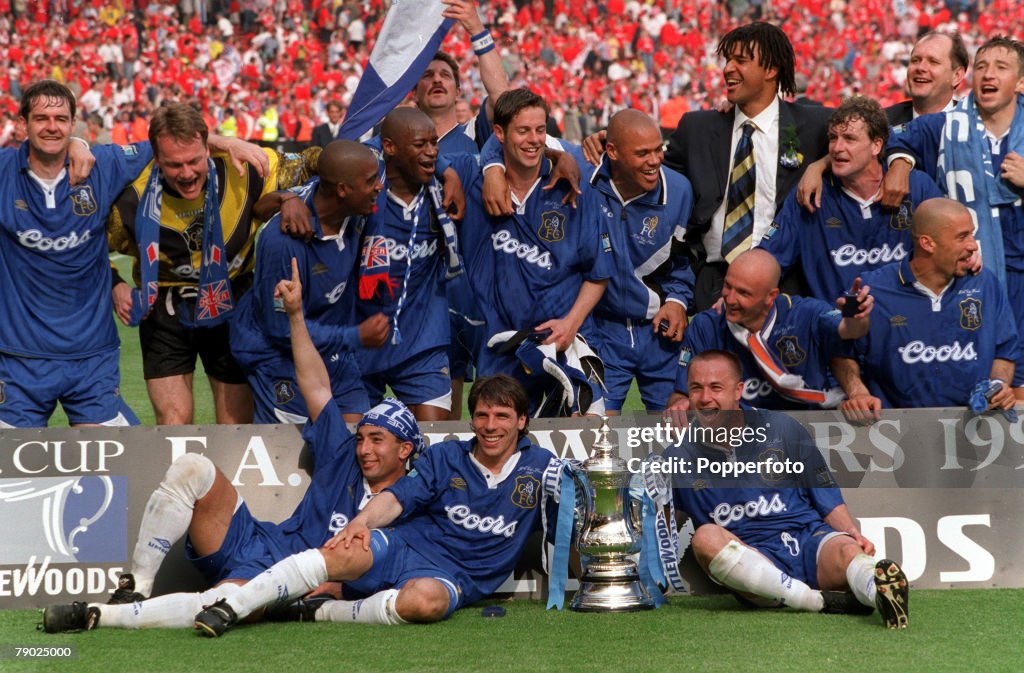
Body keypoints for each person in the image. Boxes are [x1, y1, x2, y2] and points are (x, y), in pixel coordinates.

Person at [41, 258, 422, 633]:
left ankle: (96, 616)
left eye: (378, 440)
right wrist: (294, 315)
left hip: (280, 578)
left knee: (216, 604)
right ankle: (136, 587)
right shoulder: (343, 453)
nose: (364, 449)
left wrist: (339, 586)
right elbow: (317, 385)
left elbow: (390, 566)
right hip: (258, 538)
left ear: (405, 450)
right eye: (363, 437)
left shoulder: (409, 503)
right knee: (193, 468)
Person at [188, 374, 564, 633]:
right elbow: (398, 498)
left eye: (501, 416)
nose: (490, 425)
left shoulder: (542, 467)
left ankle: (322, 613)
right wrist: (362, 522)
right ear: (472, 420)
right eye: (482, 415)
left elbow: (576, 516)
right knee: (350, 547)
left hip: (453, 577)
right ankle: (230, 608)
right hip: (406, 547)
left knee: (424, 604)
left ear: (521, 421)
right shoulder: (446, 457)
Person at [664, 350, 909, 629]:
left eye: (716, 387)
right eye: (696, 388)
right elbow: (660, 527)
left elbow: (824, 495)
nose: (705, 398)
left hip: (807, 541)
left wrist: (853, 533)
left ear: (738, 391)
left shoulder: (782, 428)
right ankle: (814, 600)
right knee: (705, 538)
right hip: (753, 566)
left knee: (847, 551)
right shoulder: (677, 457)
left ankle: (880, 596)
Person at [106, 102, 316, 425]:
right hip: (165, 305)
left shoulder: (248, 169)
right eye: (174, 165)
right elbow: (82, 247)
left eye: (194, 161)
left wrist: (291, 197)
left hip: (234, 298)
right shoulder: (130, 198)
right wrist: (116, 285)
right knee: (173, 424)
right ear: (156, 157)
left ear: (207, 146)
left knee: (235, 424)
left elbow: (315, 163)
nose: (187, 174)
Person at [0, 80, 151, 428]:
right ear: (22, 123)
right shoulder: (5, 171)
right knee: (12, 475)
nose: (51, 126)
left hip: (91, 357)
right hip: (19, 358)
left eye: (60, 119)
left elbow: (169, 147)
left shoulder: (103, 165)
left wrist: (226, 143)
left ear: (72, 123)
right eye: (41, 118)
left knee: (126, 468)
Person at [880, 38, 1024, 397]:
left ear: (1020, 83)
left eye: (1001, 68)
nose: (988, 74)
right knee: (983, 385)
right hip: (970, 276)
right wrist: (898, 165)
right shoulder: (945, 125)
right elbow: (896, 141)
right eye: (983, 66)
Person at [463, 89, 614, 415]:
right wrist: (491, 168)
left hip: (568, 344)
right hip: (501, 351)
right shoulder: (471, 181)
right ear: (500, 134)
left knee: (586, 451)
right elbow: (428, 159)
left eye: (540, 130)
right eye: (523, 130)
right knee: (501, 453)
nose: (534, 140)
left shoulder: (574, 187)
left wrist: (571, 324)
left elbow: (599, 273)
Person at [663, 22, 832, 311]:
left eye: (740, 60)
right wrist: (608, 142)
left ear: (771, 70)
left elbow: (874, 135)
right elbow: (653, 172)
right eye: (727, 60)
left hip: (785, 281)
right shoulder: (698, 128)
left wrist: (821, 164)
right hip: (712, 280)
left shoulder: (814, 126)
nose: (728, 68)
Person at [230, 140, 389, 424]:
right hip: (281, 357)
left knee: (356, 437)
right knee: (295, 454)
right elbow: (280, 329)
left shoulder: (350, 209)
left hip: (333, 354)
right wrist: (354, 337)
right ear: (342, 190)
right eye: (370, 181)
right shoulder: (283, 242)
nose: (379, 186)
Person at [832, 198, 1019, 413]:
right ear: (927, 243)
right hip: (895, 433)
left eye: (972, 234)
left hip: (974, 430)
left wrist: (998, 385)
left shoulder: (985, 283)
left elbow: (1004, 351)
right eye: (962, 237)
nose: (973, 245)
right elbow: (840, 352)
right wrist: (858, 393)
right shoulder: (870, 288)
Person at [761, 96, 943, 302]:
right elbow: (769, 256)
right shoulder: (810, 193)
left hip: (906, 327)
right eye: (832, 138)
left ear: (876, 146)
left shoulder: (916, 186)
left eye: (849, 139)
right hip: (836, 326)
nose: (837, 148)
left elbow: (947, 244)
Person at [355, 107, 462, 421]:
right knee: (353, 447)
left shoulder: (444, 191)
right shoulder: (359, 192)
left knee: (432, 447)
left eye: (434, 144)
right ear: (388, 147)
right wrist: (289, 200)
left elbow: (504, 149)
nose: (431, 152)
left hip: (421, 343)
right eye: (420, 145)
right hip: (360, 340)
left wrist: (559, 154)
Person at [666, 249, 872, 411]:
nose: (729, 299)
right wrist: (679, 405)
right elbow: (681, 393)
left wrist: (856, 316)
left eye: (743, 293)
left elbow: (849, 330)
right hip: (742, 435)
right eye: (728, 286)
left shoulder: (806, 313)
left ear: (771, 296)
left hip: (813, 424)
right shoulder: (706, 326)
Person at [587, 109, 695, 412]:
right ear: (612, 151)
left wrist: (678, 301)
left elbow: (681, 262)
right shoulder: (584, 182)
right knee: (595, 436)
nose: (654, 160)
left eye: (658, 149)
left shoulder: (678, 190)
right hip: (602, 333)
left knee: (675, 437)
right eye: (642, 153)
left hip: (660, 336)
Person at [886, 31, 968, 128]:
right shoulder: (880, 124)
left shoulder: (977, 128)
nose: (921, 67)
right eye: (915, 60)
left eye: (933, 62)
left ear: (957, 75)